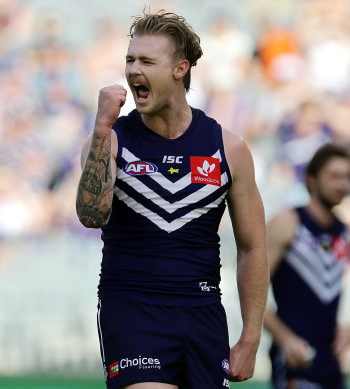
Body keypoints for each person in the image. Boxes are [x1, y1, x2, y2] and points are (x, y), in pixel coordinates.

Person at [75, 10, 269, 389]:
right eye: (130, 60)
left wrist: (250, 337)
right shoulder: (111, 141)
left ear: (180, 69)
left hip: (203, 314)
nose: (133, 70)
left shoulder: (227, 148)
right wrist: (101, 128)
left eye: (147, 61)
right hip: (131, 310)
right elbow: (90, 215)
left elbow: (252, 248)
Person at [264, 144, 350, 389]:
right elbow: (252, 289)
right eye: (334, 176)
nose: (342, 184)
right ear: (311, 180)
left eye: (347, 177)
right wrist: (284, 338)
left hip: (331, 359)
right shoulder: (288, 224)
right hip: (294, 358)